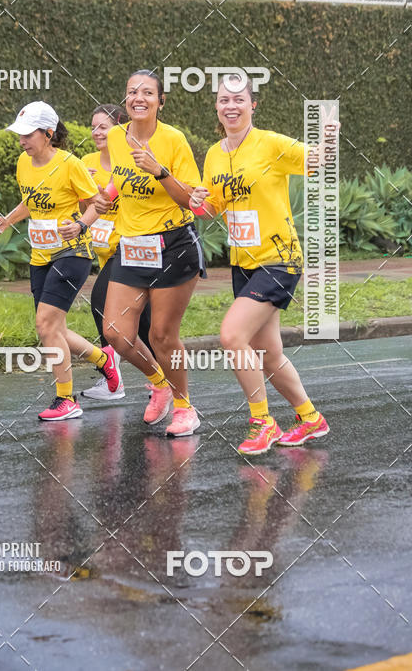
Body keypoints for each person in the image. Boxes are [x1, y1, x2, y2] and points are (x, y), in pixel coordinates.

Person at [191, 74, 336, 454]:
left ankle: (262, 421)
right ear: (217, 108)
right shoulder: (214, 153)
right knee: (268, 354)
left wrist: (329, 138)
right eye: (224, 100)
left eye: (239, 99)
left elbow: (317, 161)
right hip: (244, 264)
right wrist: (196, 201)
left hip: (279, 259)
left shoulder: (270, 144)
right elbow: (211, 209)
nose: (231, 106)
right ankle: (309, 418)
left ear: (252, 105)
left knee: (231, 336)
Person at [0, 101, 121, 421]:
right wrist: (8, 220)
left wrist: (81, 225)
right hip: (40, 254)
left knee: (45, 325)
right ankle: (104, 362)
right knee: (55, 327)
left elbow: (98, 203)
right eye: (19, 134)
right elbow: (30, 201)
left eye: (27, 134)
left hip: (72, 251)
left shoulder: (69, 164)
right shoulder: (23, 162)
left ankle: (67, 400)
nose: (21, 140)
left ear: (48, 134)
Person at [97, 71, 206, 437]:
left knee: (162, 335)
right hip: (132, 246)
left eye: (147, 92)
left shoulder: (173, 140)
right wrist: (102, 200)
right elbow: (119, 179)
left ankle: (184, 406)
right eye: (131, 92)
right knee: (115, 331)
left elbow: (190, 199)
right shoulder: (116, 135)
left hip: (172, 244)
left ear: (161, 100)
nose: (138, 98)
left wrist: (158, 170)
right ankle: (158, 382)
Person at [80, 104, 154, 402]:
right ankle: (165, 380)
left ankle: (113, 380)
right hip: (104, 250)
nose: (96, 132)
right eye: (93, 126)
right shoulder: (86, 161)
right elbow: (81, 204)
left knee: (100, 301)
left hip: (131, 246)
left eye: (103, 126)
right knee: (146, 324)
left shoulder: (131, 161)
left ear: (120, 128)